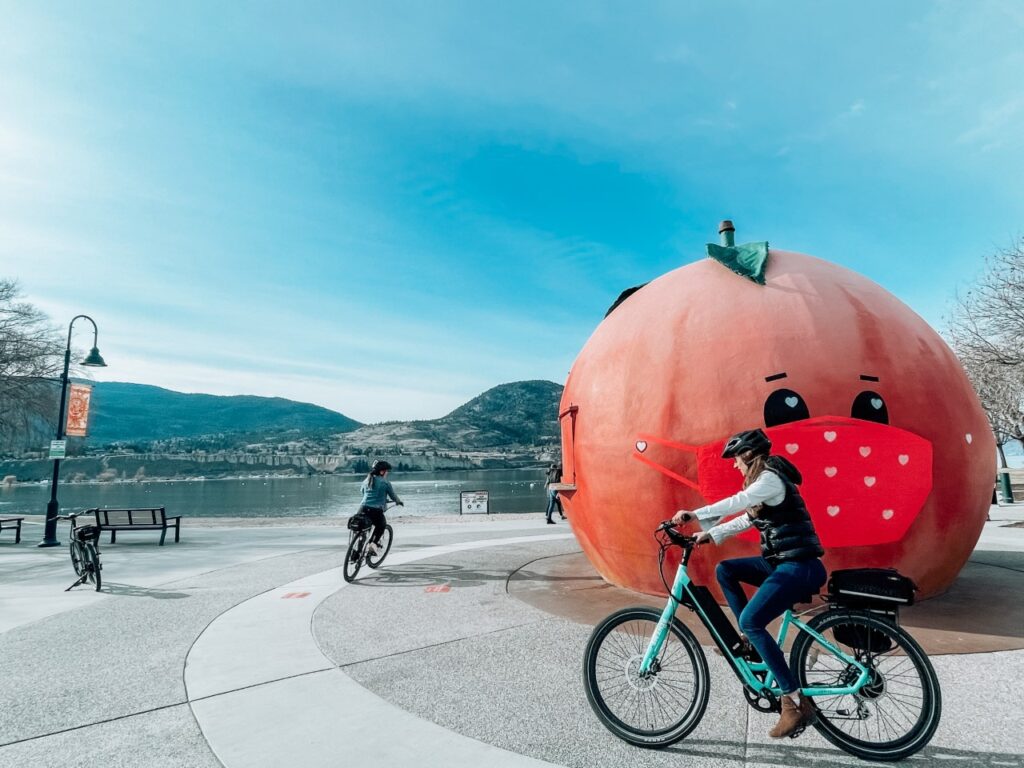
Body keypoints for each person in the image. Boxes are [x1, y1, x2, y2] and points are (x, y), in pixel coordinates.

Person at [671, 428, 826, 739]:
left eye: (736, 460)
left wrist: (694, 514)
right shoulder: (765, 486)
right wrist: (710, 534)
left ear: (748, 455)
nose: (734, 466)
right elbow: (747, 518)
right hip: (784, 562)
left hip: (798, 566)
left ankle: (794, 702)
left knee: (752, 619)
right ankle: (748, 640)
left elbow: (738, 502)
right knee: (726, 570)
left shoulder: (769, 478)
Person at [358, 460, 403, 555]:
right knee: (381, 525)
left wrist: (379, 498)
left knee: (363, 530)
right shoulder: (385, 483)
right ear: (382, 472)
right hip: (375, 511)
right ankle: (373, 545)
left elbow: (363, 492)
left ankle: (356, 554)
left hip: (362, 508)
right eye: (386, 471)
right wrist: (398, 502)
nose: (387, 473)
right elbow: (393, 496)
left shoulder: (366, 480)